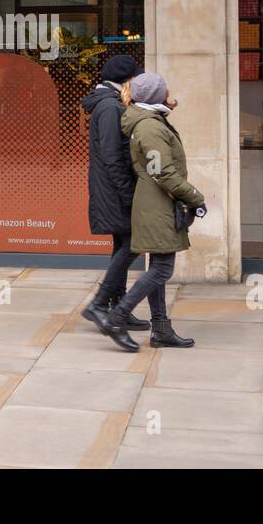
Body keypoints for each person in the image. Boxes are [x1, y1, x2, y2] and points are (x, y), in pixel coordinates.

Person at [94, 72, 205, 353]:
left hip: (156, 201)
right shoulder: (149, 127)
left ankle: (161, 329)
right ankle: (117, 317)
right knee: (162, 269)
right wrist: (195, 197)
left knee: (158, 265)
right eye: (165, 90)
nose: (169, 93)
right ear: (155, 96)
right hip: (157, 203)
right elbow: (162, 171)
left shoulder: (149, 120)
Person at [80, 54, 150, 331]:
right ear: (126, 80)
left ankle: (116, 308)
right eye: (135, 79)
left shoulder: (113, 103)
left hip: (112, 189)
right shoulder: (109, 107)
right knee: (131, 243)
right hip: (113, 190)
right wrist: (129, 194)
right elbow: (112, 155)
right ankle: (102, 304)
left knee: (123, 244)